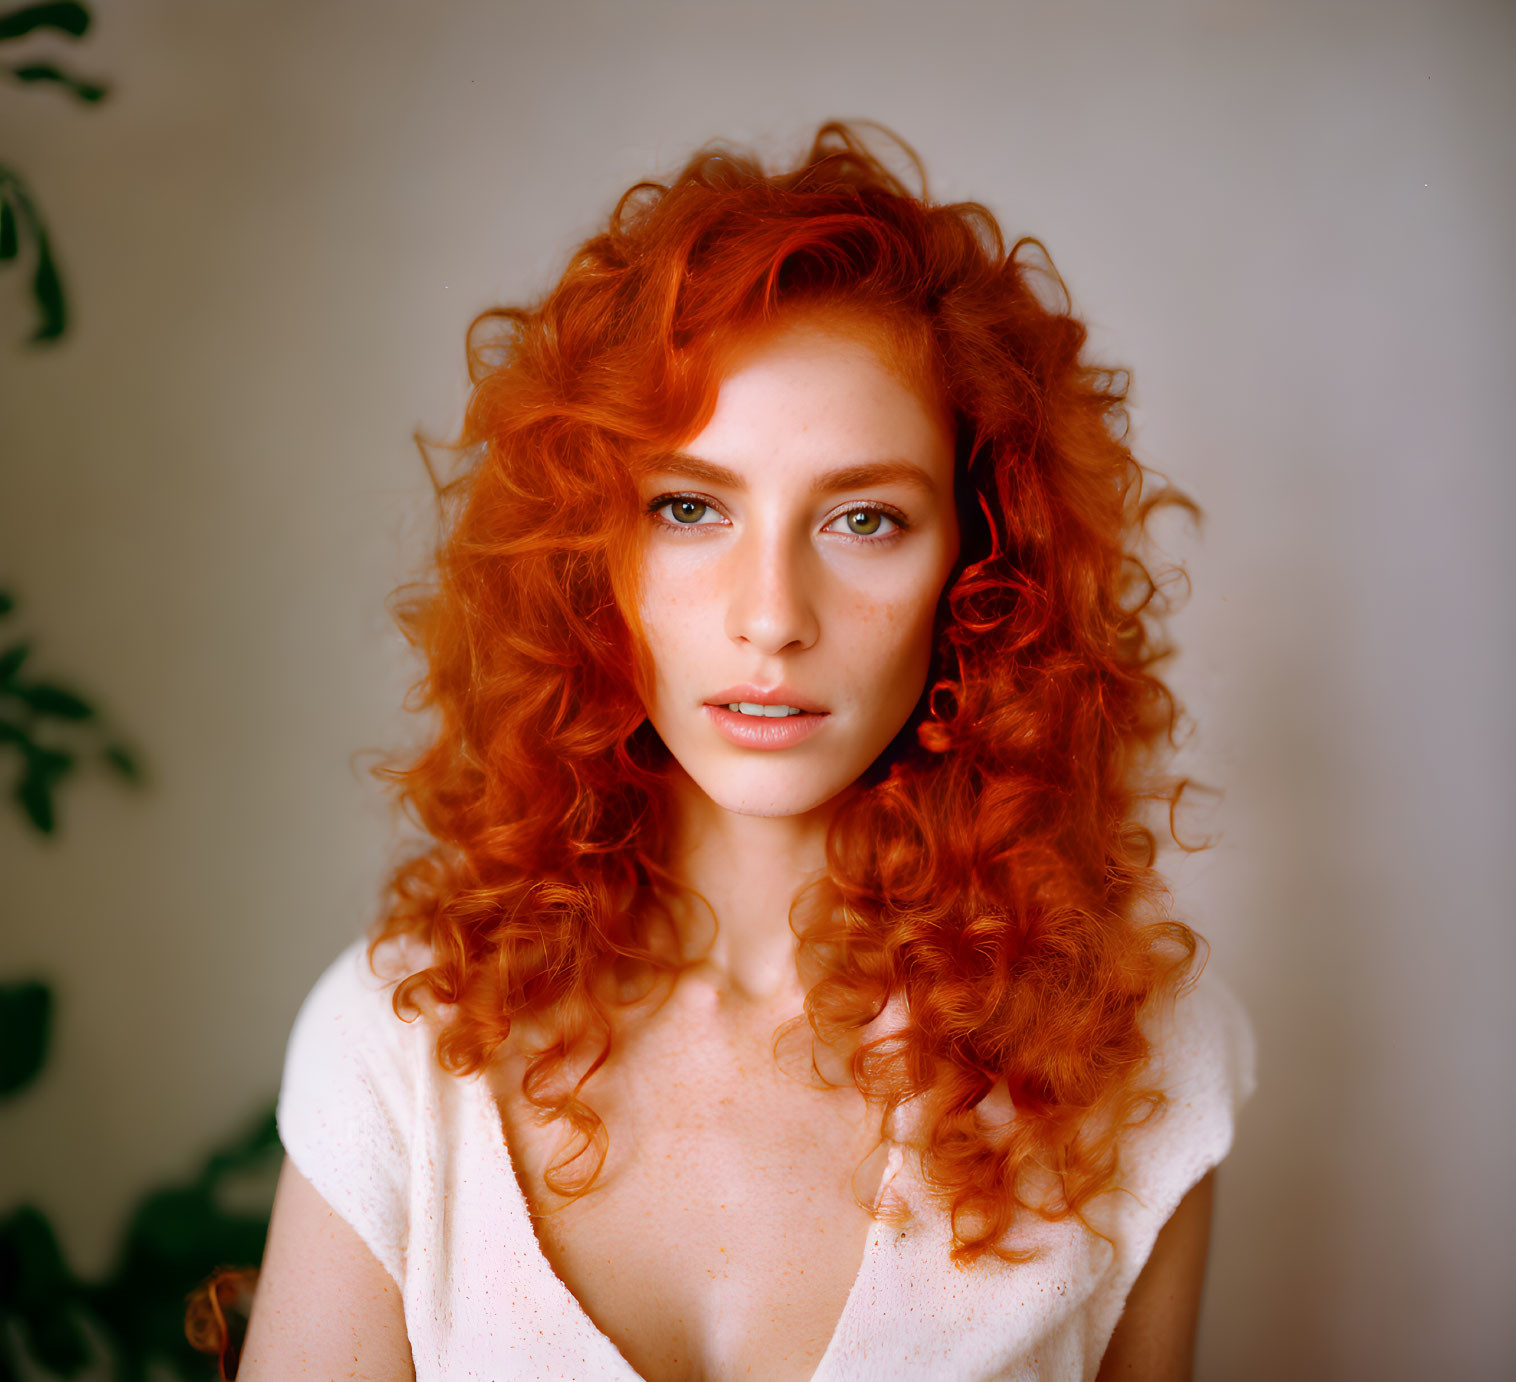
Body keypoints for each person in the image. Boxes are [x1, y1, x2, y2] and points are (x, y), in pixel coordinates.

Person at [205, 120, 1254, 1380]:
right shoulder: (401, 1046)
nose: (771, 615)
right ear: (596, 551)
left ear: (978, 565)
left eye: (863, 517)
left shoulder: (1133, 1063)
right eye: (689, 507)